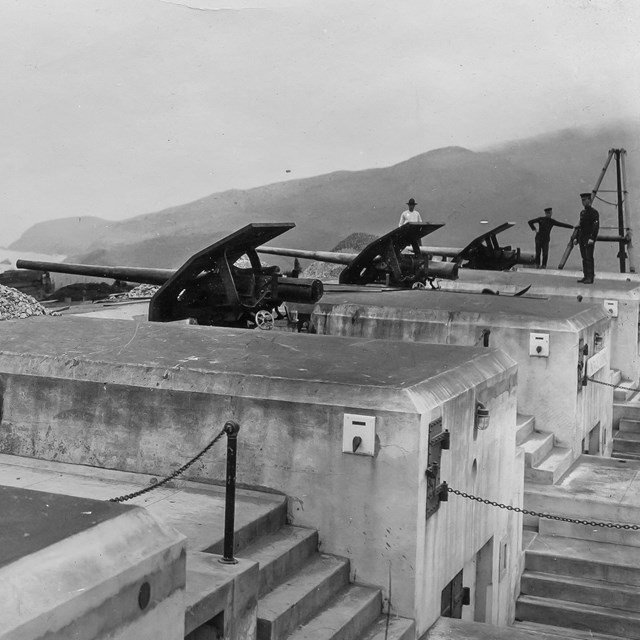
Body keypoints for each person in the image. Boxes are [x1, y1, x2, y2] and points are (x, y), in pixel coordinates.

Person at [574, 192, 600, 284]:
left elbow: (595, 226)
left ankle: (590, 277)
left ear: (589, 200)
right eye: (582, 200)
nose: (583, 202)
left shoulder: (594, 212)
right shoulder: (582, 213)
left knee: (589, 257)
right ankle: (586, 276)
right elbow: (580, 226)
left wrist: (592, 238)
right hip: (582, 238)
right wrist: (576, 238)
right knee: (584, 258)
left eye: (584, 200)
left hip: (589, 238)